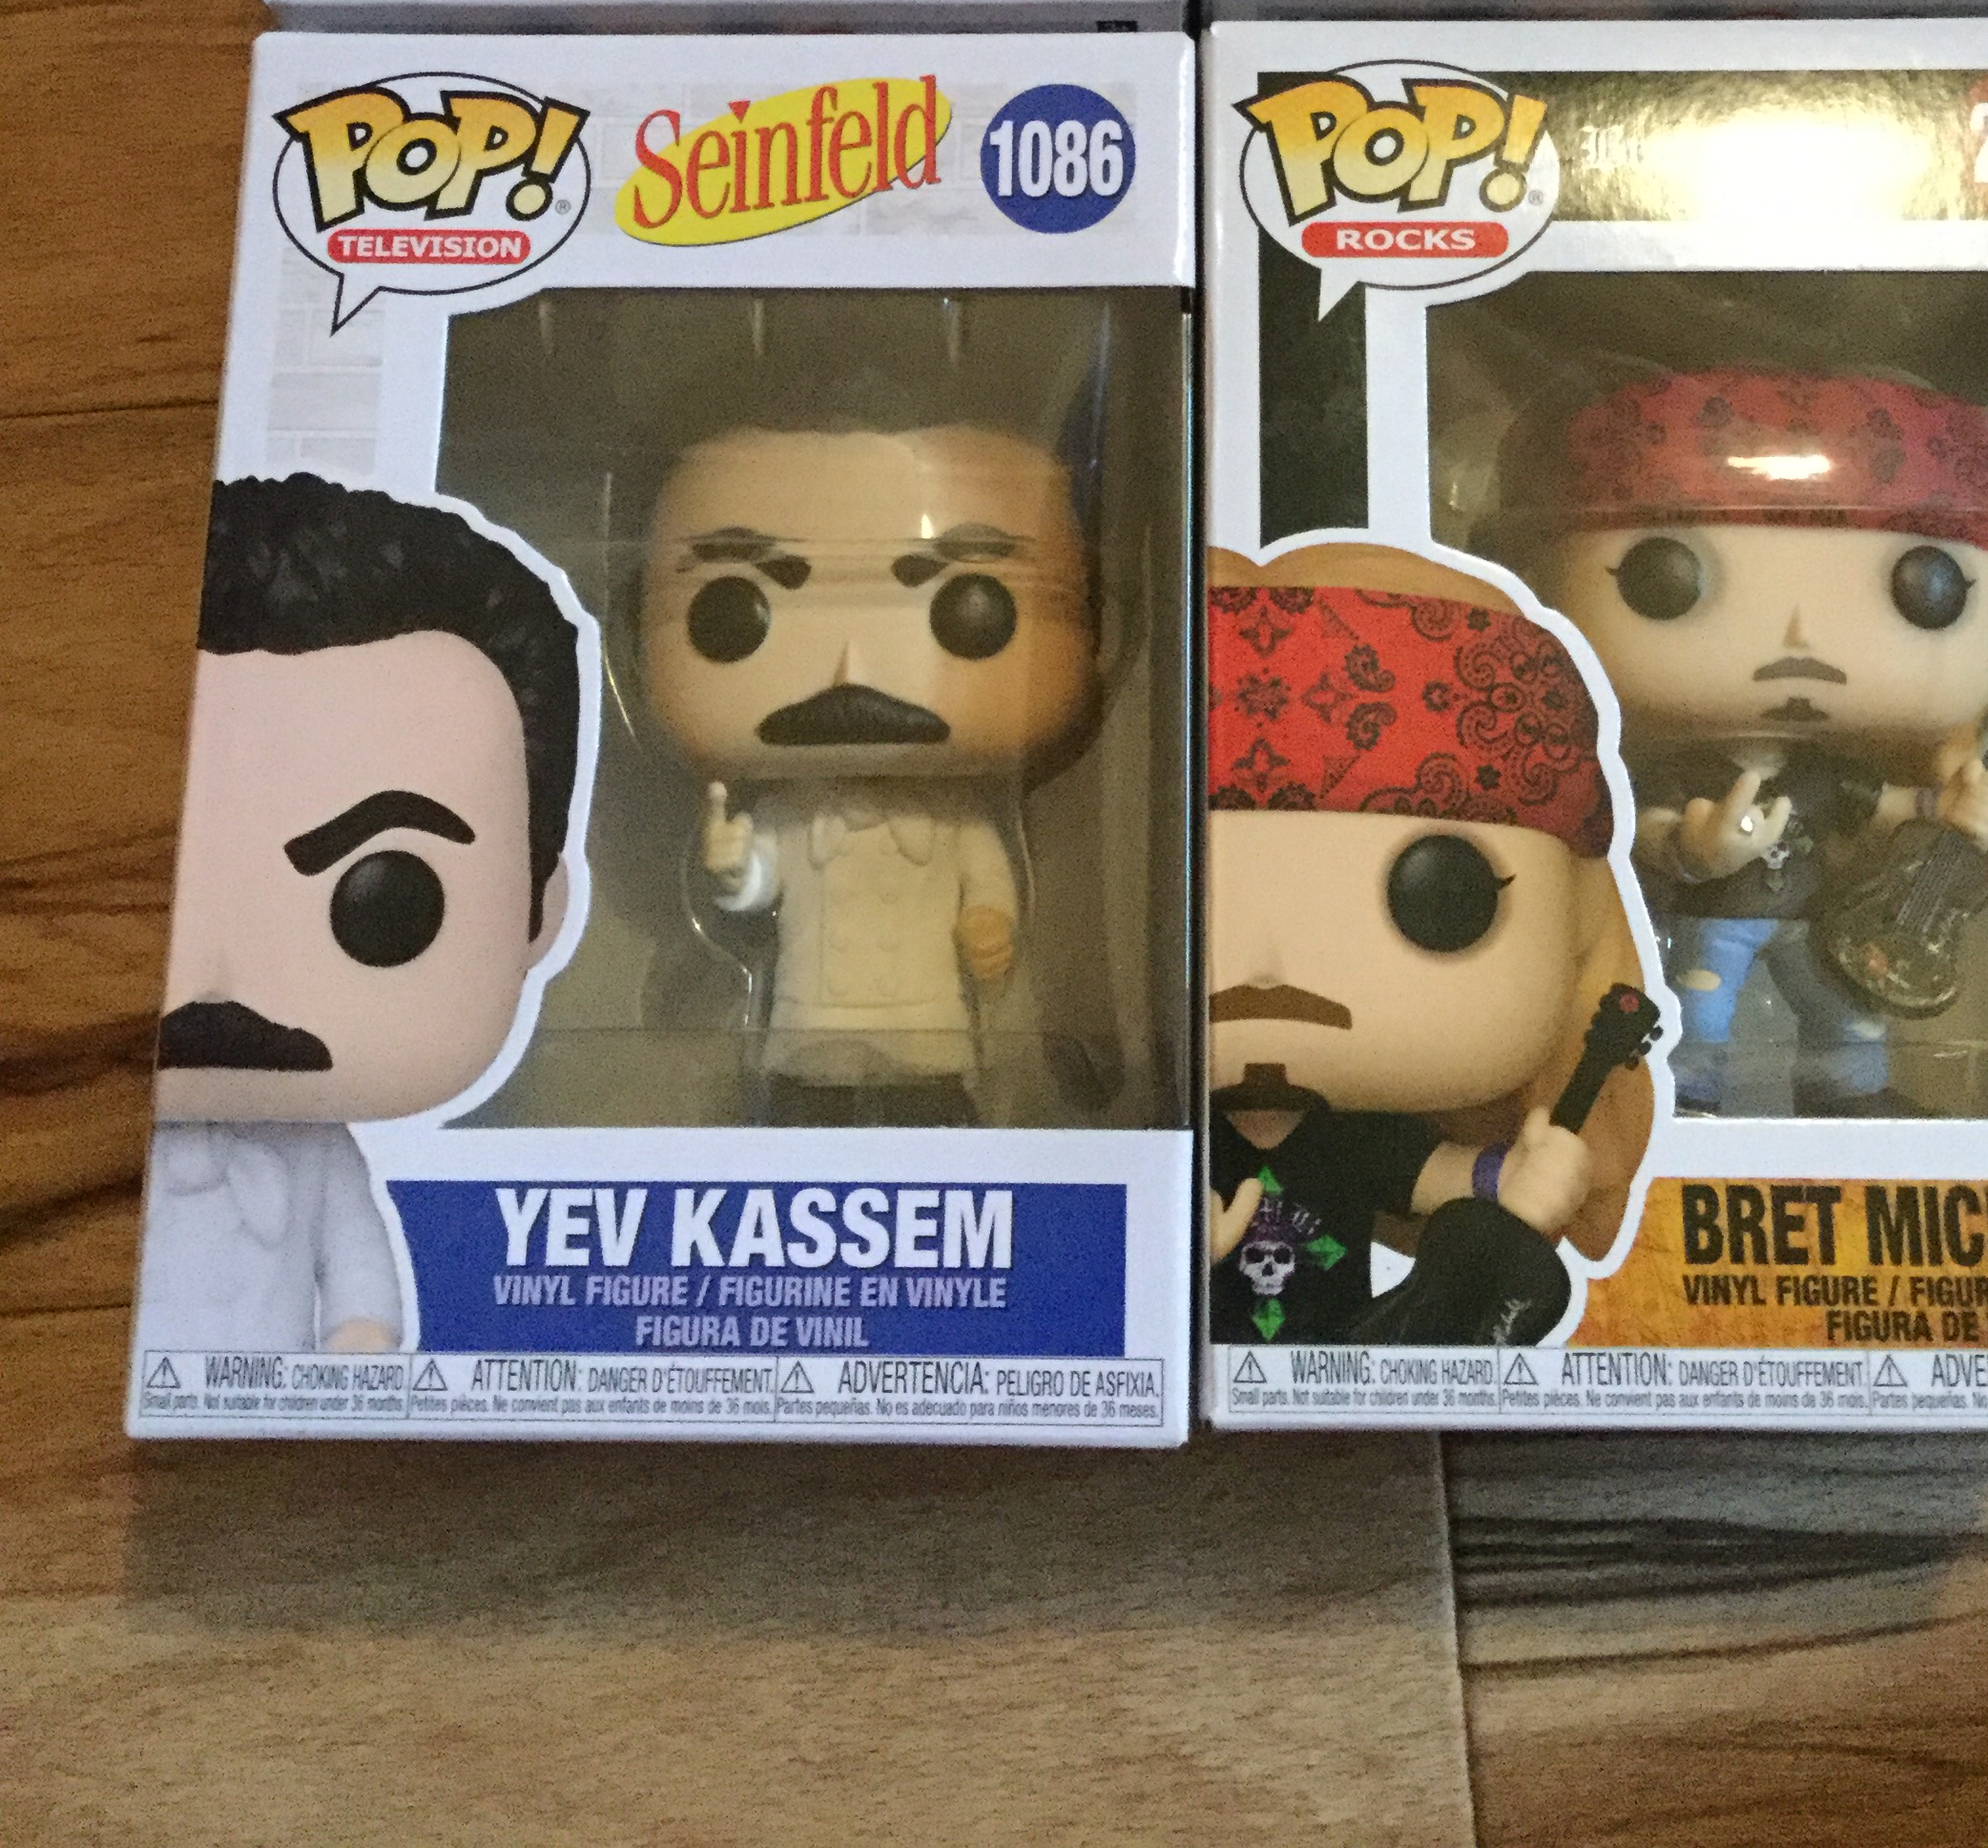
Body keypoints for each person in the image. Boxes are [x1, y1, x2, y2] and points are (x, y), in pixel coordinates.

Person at [1503, 366, 1988, 1111]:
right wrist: (1693, 851)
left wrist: (1949, 809)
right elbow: (1637, 830)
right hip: (1714, 923)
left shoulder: (1821, 771)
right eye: (1666, 578)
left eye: (1925, 587)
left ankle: (1850, 1100)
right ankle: (1687, 1102)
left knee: (1846, 1010)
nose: (1798, 636)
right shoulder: (1688, 769)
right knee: (1697, 1015)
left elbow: (1885, 805)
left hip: (1812, 922)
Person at [138, 477, 585, 1349]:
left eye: (384, 901)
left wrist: (361, 1335)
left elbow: (357, 1264)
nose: (219, 986)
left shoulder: (316, 1156)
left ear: (538, 915)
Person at [1206, 544, 1656, 1348]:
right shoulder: (1176, 1142)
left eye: (1440, 897)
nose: (1267, 970)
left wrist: (1521, 1181)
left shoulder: (1350, 1135)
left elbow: (1444, 1177)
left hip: (1342, 1375)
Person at [641, 421, 1099, 1122]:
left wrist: (989, 923)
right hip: (811, 1020)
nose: (848, 671)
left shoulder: (956, 818)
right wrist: (733, 869)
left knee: (932, 1120)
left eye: (969, 607)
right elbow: (760, 886)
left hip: (925, 1023)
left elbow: (990, 884)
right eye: (733, 612)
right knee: (803, 1125)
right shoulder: (791, 813)